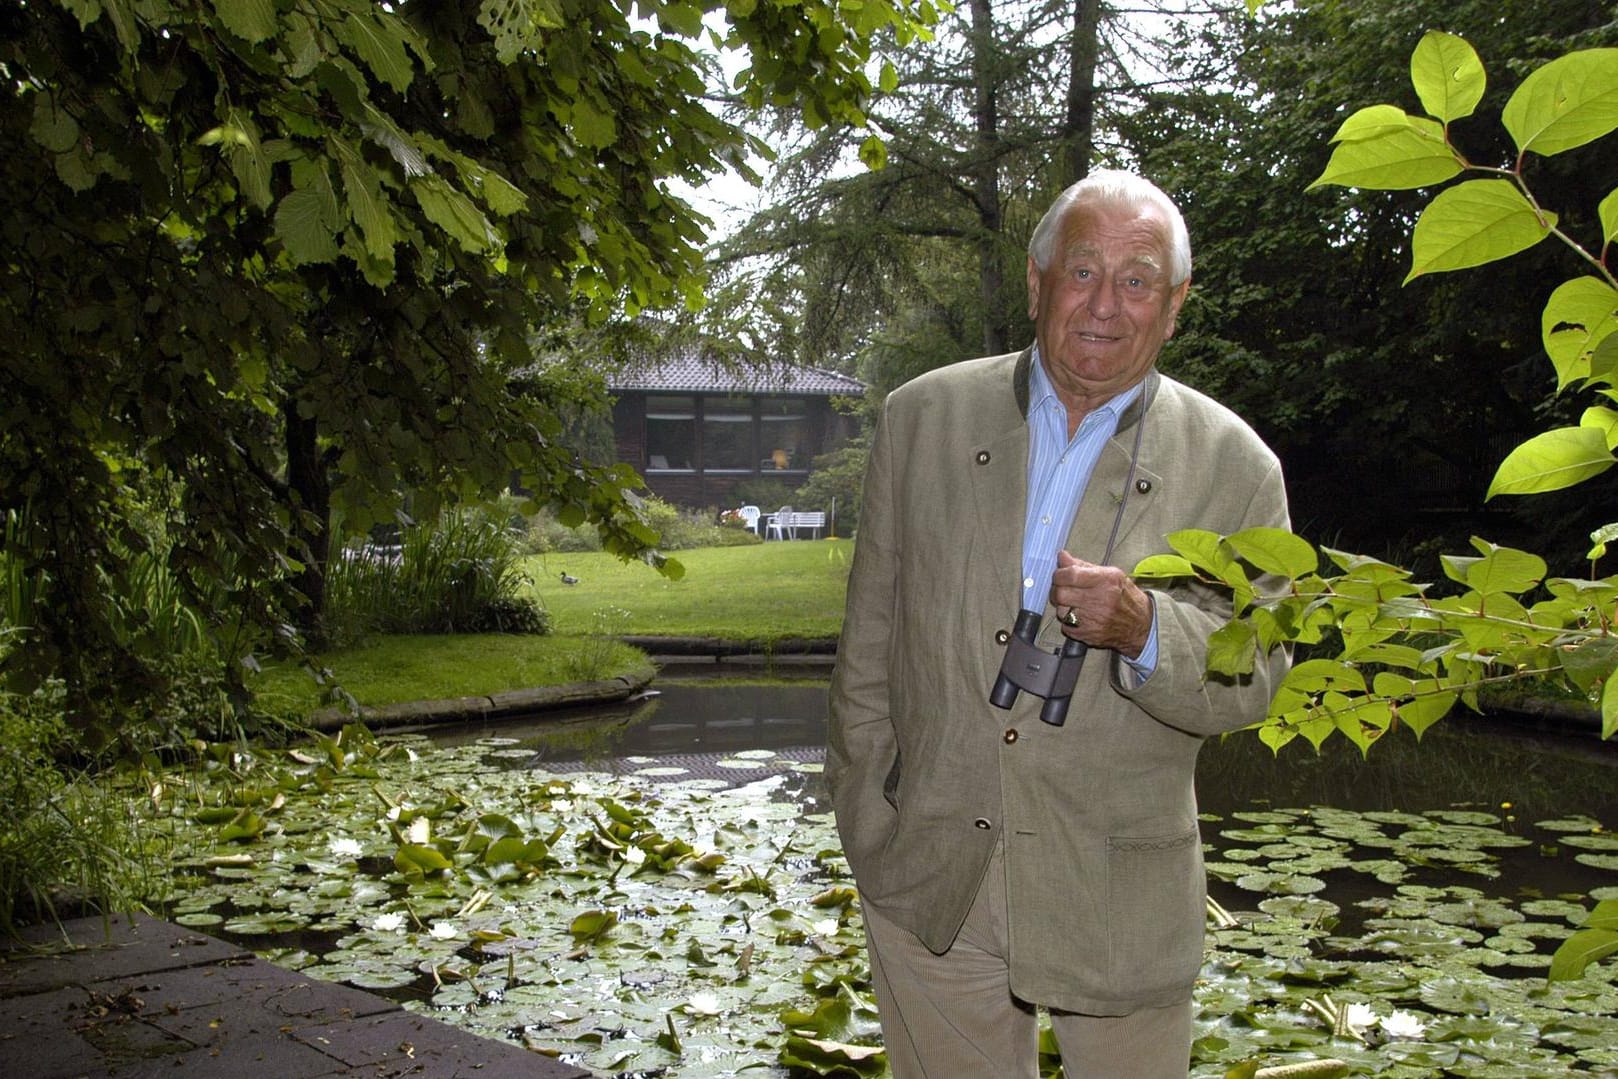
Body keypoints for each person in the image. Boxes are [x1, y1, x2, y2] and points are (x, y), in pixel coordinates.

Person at [825, 170, 1291, 1078]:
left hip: (1121, 893)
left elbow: (1258, 674)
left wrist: (1146, 625)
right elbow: (869, 646)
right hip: (929, 871)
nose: (1105, 306)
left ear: (1175, 303)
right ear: (1038, 282)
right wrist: (866, 808)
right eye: (1083, 272)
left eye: (1137, 279)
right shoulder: (921, 417)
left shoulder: (1237, 466)